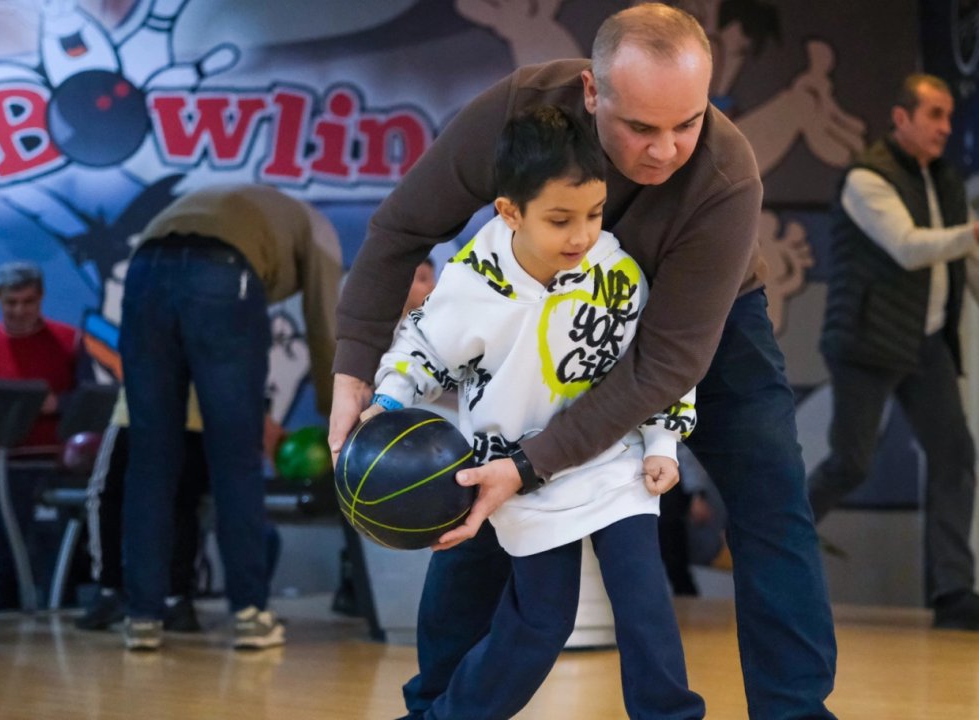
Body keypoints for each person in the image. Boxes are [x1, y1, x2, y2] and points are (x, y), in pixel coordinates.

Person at [333, 5, 838, 718]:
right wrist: (355, 369)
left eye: (686, 123)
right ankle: (437, 706)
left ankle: (795, 712)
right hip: (546, 306)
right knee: (478, 488)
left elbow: (664, 364)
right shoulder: (522, 112)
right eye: (641, 128)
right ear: (592, 93)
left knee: (771, 503)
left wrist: (536, 462)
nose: (667, 151)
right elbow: (400, 230)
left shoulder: (724, 173)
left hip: (698, 318)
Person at [363, 105, 704, 719]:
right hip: (516, 475)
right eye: (560, 219)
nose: (581, 236)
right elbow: (422, 349)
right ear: (510, 211)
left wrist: (662, 443)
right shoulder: (471, 281)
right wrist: (386, 402)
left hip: (613, 465)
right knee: (543, 621)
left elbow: (657, 363)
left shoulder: (618, 273)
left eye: (595, 215)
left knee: (645, 605)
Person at [809, 73, 979, 631]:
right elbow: (909, 248)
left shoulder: (947, 180)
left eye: (949, 116)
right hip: (866, 341)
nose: (945, 127)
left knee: (955, 455)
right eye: (934, 114)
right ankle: (764, 537)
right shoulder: (867, 177)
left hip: (925, 340)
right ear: (901, 118)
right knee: (851, 463)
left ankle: (954, 593)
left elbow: (974, 257)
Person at [119, 184, 341, 651]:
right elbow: (324, 324)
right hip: (222, 275)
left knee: (150, 459)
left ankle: (141, 615)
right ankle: (249, 614)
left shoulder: (246, 206)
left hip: (144, 272)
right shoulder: (318, 229)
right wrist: (337, 414)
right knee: (236, 457)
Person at [74, 388, 209, 633]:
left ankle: (110, 590)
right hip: (194, 415)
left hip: (136, 413)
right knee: (181, 505)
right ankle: (177, 599)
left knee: (104, 496)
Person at [0, 261, 80, 612]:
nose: (19, 311)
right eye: (11, 303)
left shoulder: (69, 340)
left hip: (53, 465)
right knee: (0, 557)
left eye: (27, 302)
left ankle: (61, 618)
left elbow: (91, 399)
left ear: (41, 298)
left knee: (57, 555)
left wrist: (57, 403)